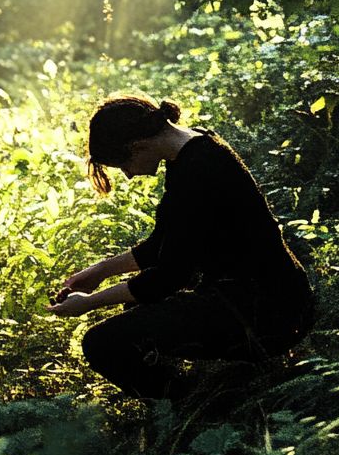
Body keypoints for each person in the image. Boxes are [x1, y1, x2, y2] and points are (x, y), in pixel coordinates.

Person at [45, 94, 316, 400]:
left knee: (101, 343)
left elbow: (168, 277)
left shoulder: (196, 171)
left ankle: (199, 407)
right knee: (136, 307)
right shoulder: (193, 149)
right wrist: (98, 272)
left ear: (138, 146)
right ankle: (210, 386)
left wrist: (90, 303)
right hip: (274, 297)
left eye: (123, 165)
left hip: (269, 313)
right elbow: (162, 245)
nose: (129, 174)